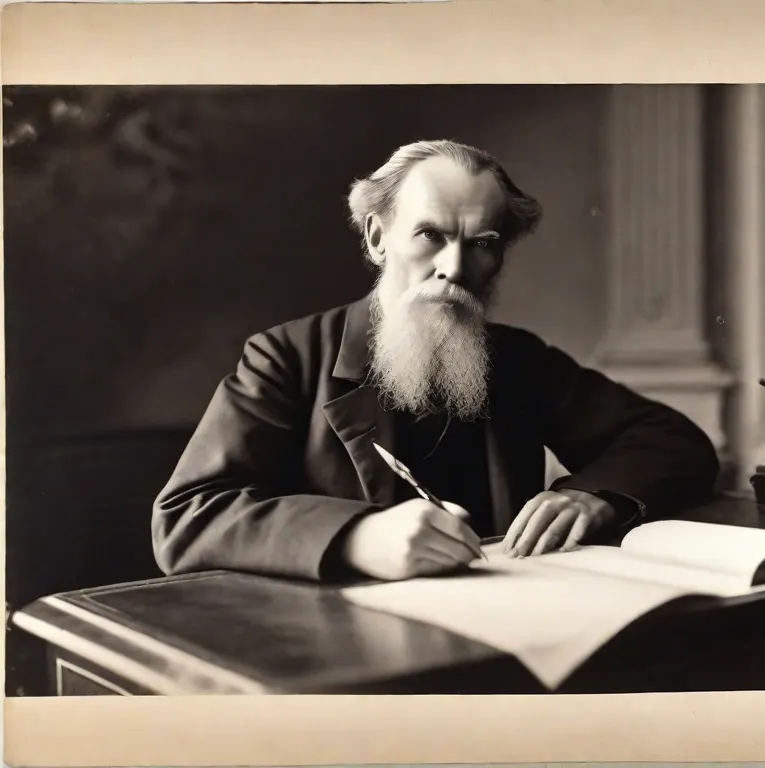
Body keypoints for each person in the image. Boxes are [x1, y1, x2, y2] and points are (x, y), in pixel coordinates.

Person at [152, 139, 720, 583]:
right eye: (430, 234)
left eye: (482, 242)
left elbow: (672, 441)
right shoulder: (286, 357)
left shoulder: (518, 360)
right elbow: (187, 516)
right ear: (377, 238)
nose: (454, 266)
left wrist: (592, 496)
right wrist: (357, 538)